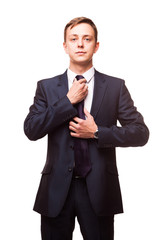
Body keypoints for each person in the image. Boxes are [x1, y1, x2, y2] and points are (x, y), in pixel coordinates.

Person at [24, 17, 149, 240]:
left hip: (99, 190)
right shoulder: (47, 87)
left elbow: (140, 132)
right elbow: (32, 129)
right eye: (74, 39)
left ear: (96, 45)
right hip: (55, 191)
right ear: (65, 46)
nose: (80, 44)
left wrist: (97, 132)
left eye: (87, 38)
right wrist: (67, 101)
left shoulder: (115, 86)